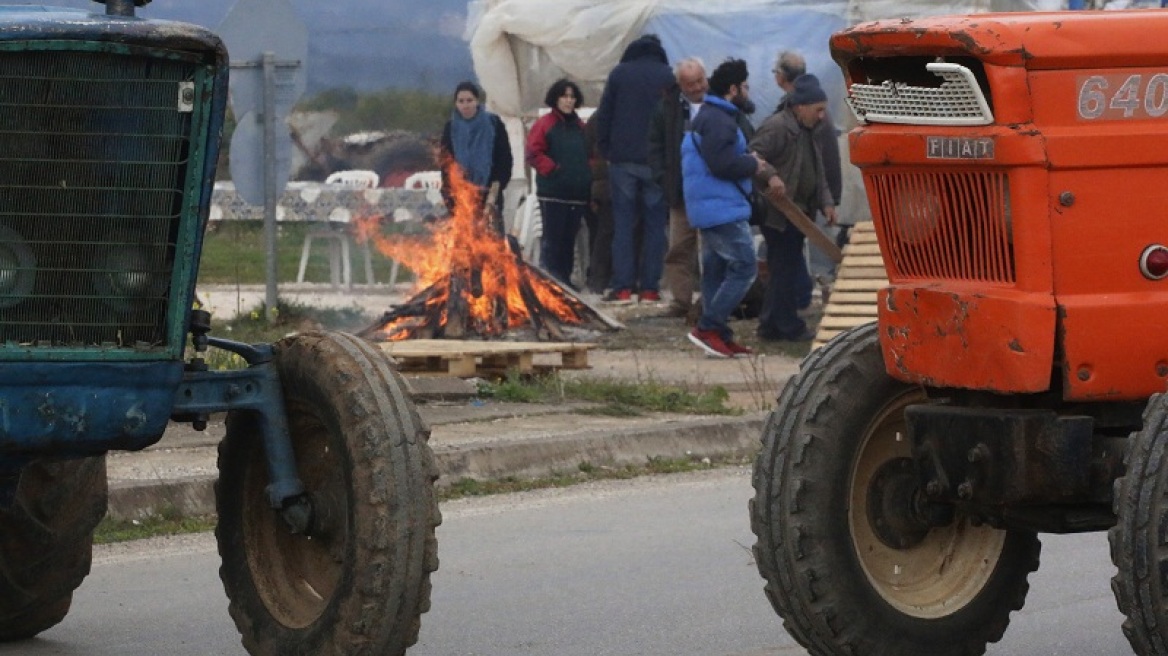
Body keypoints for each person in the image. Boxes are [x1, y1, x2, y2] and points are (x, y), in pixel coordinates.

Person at [681, 58, 771, 358]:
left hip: (709, 206)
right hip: (721, 208)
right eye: (744, 86)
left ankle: (719, 335)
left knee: (716, 272)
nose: (748, 91)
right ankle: (708, 326)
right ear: (733, 89)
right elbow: (721, 163)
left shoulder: (709, 115)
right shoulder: (720, 120)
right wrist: (752, 163)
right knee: (745, 266)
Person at [750, 73, 838, 342]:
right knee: (784, 269)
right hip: (780, 212)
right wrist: (771, 175)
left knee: (782, 269)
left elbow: (818, 168)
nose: (822, 116)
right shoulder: (777, 127)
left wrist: (826, 202)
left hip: (800, 212)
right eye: (818, 110)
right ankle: (789, 327)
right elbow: (752, 154)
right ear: (801, 107)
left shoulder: (809, 130)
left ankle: (770, 326)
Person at [591, 34, 675, 303]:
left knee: (624, 224)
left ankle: (623, 286)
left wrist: (606, 149)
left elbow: (605, 114)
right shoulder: (668, 76)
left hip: (623, 160)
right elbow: (674, 121)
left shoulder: (619, 74)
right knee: (654, 226)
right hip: (655, 163)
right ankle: (650, 287)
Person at [772, 50, 844, 299]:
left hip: (813, 194)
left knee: (817, 250)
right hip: (806, 195)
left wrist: (827, 199)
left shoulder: (811, 110)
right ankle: (806, 292)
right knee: (799, 251)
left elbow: (821, 160)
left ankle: (816, 288)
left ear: (781, 77)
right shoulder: (793, 112)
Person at [649, 57, 707, 318]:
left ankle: (712, 301)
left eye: (699, 81)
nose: (696, 88)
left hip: (711, 192)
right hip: (681, 191)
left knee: (711, 250)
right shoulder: (667, 108)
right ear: (680, 85)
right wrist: (663, 177)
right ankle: (681, 300)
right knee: (678, 248)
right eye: (690, 84)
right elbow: (655, 146)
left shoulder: (717, 105)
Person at [525, 79, 591, 287]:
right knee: (552, 241)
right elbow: (533, 153)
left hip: (577, 194)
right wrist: (553, 170)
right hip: (553, 192)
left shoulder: (582, 128)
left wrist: (586, 177)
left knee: (569, 242)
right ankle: (550, 282)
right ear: (556, 98)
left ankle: (564, 281)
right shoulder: (545, 124)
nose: (568, 101)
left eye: (572, 97)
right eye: (564, 96)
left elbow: (590, 155)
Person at [440, 80, 513, 230]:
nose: (465, 105)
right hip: (461, 194)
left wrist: (497, 185)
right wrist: (450, 193)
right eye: (461, 101)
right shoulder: (451, 128)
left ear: (477, 101)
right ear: (456, 103)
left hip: (489, 191)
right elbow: (446, 161)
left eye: (469, 100)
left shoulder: (493, 124)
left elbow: (504, 157)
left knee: (491, 242)